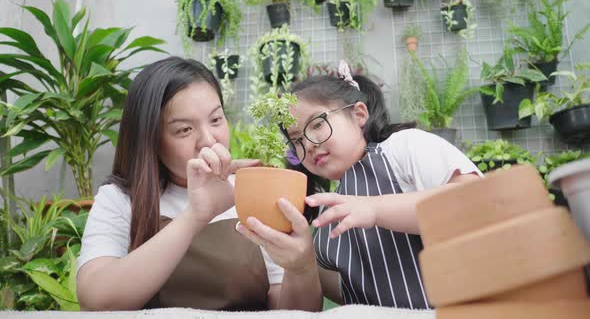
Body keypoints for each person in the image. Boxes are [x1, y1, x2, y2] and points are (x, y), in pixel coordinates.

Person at [76, 56, 322, 311]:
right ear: (150, 140)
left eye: (216, 120)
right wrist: (196, 215)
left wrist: (301, 268)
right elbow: (96, 300)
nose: (208, 139)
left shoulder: (252, 192)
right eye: (184, 129)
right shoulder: (119, 199)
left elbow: (293, 311)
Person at [276, 60, 482, 309]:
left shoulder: (404, 148)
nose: (307, 145)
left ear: (359, 114)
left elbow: (473, 201)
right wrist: (299, 266)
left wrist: (374, 210)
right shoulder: (324, 217)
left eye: (317, 124)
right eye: (296, 140)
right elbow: (311, 308)